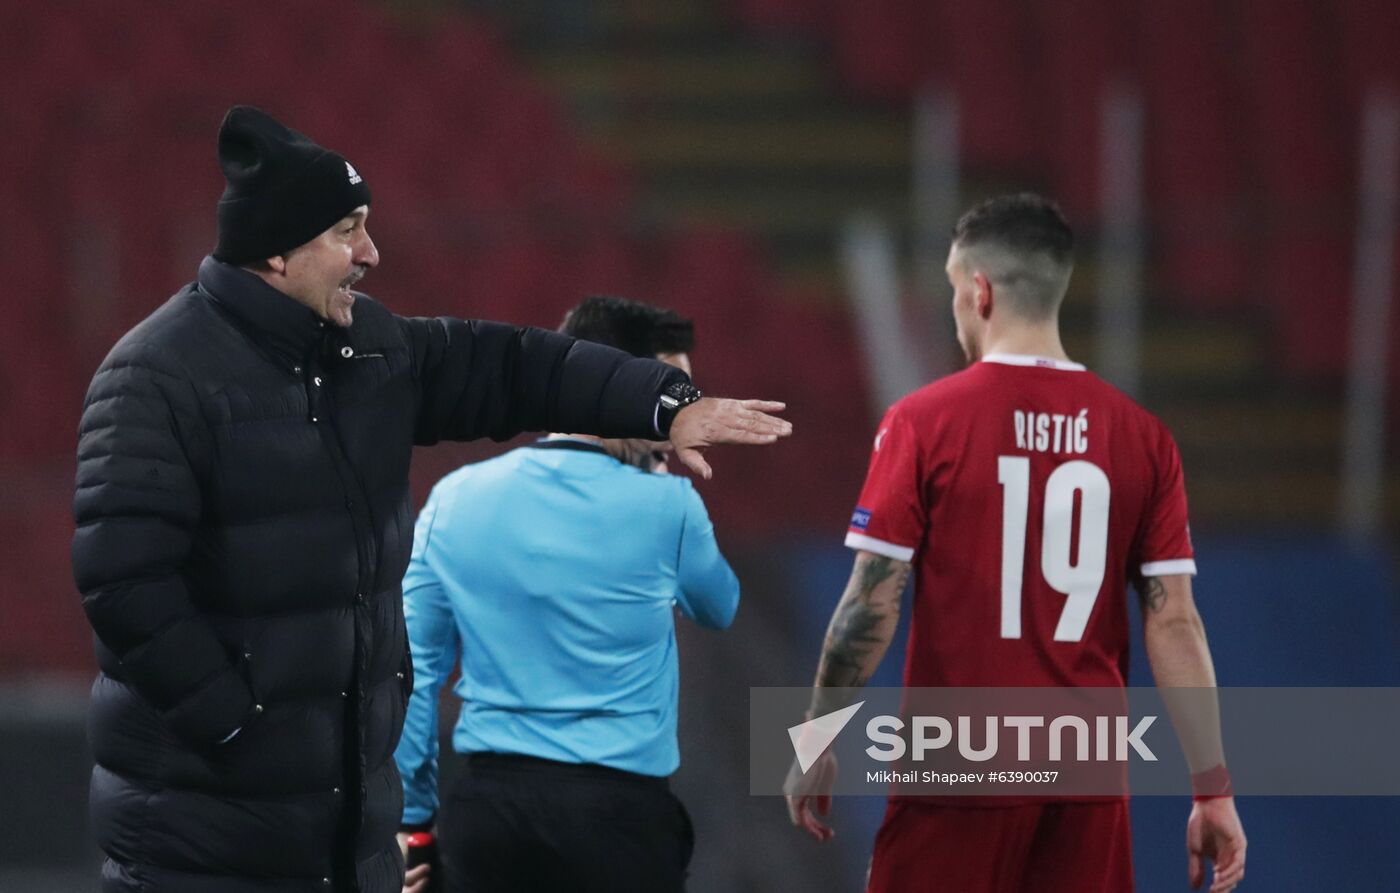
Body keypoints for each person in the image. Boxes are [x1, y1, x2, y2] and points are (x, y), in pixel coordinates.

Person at [72, 106, 790, 893]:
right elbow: (125, 583)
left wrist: (662, 402)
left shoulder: (366, 352)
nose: (371, 253)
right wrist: (240, 726)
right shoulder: (152, 378)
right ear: (276, 251)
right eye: (348, 231)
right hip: (201, 849)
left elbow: (515, 367)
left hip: (345, 848)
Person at [785, 194, 1246, 892]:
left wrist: (818, 734)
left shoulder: (923, 422)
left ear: (980, 290)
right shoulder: (1143, 438)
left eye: (951, 290)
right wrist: (1212, 787)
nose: (954, 308)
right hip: (1084, 775)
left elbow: (870, 602)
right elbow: (1174, 619)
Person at [392, 295, 738, 893]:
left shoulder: (455, 497)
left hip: (489, 820)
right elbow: (719, 605)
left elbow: (413, 676)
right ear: (619, 385)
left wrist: (413, 826)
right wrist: (661, 491)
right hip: (619, 822)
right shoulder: (669, 507)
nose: (684, 419)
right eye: (673, 396)